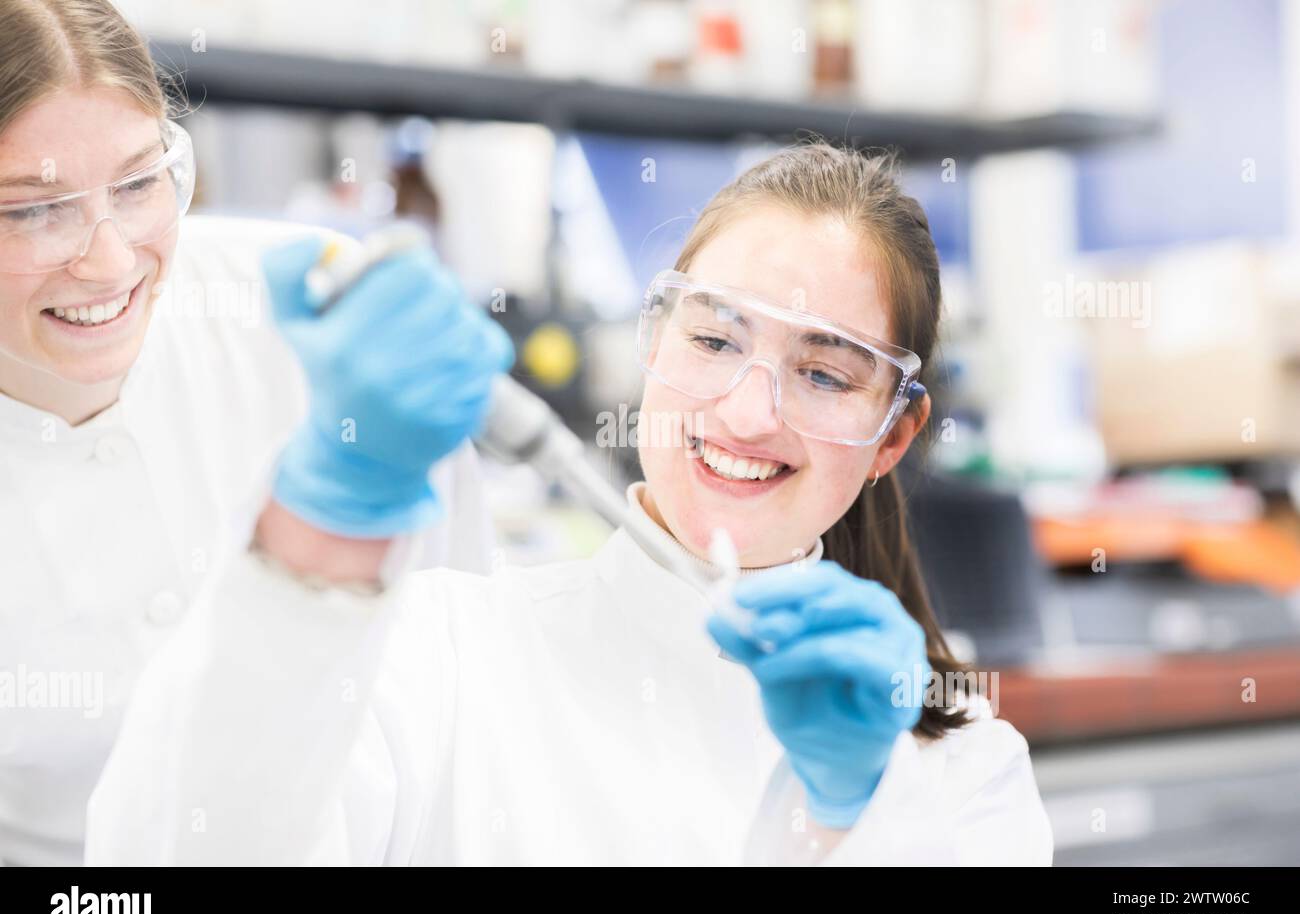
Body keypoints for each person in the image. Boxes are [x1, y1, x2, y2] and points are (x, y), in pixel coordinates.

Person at [88, 145, 1054, 865]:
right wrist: (318, 534)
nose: (749, 412)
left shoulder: (961, 770)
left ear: (892, 435)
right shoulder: (439, 658)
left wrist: (846, 820)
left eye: (824, 373)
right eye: (715, 341)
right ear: (652, 340)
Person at [0, 0, 510, 865]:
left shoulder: (311, 322)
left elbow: (468, 670)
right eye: (30, 212)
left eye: (137, 183)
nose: (113, 260)